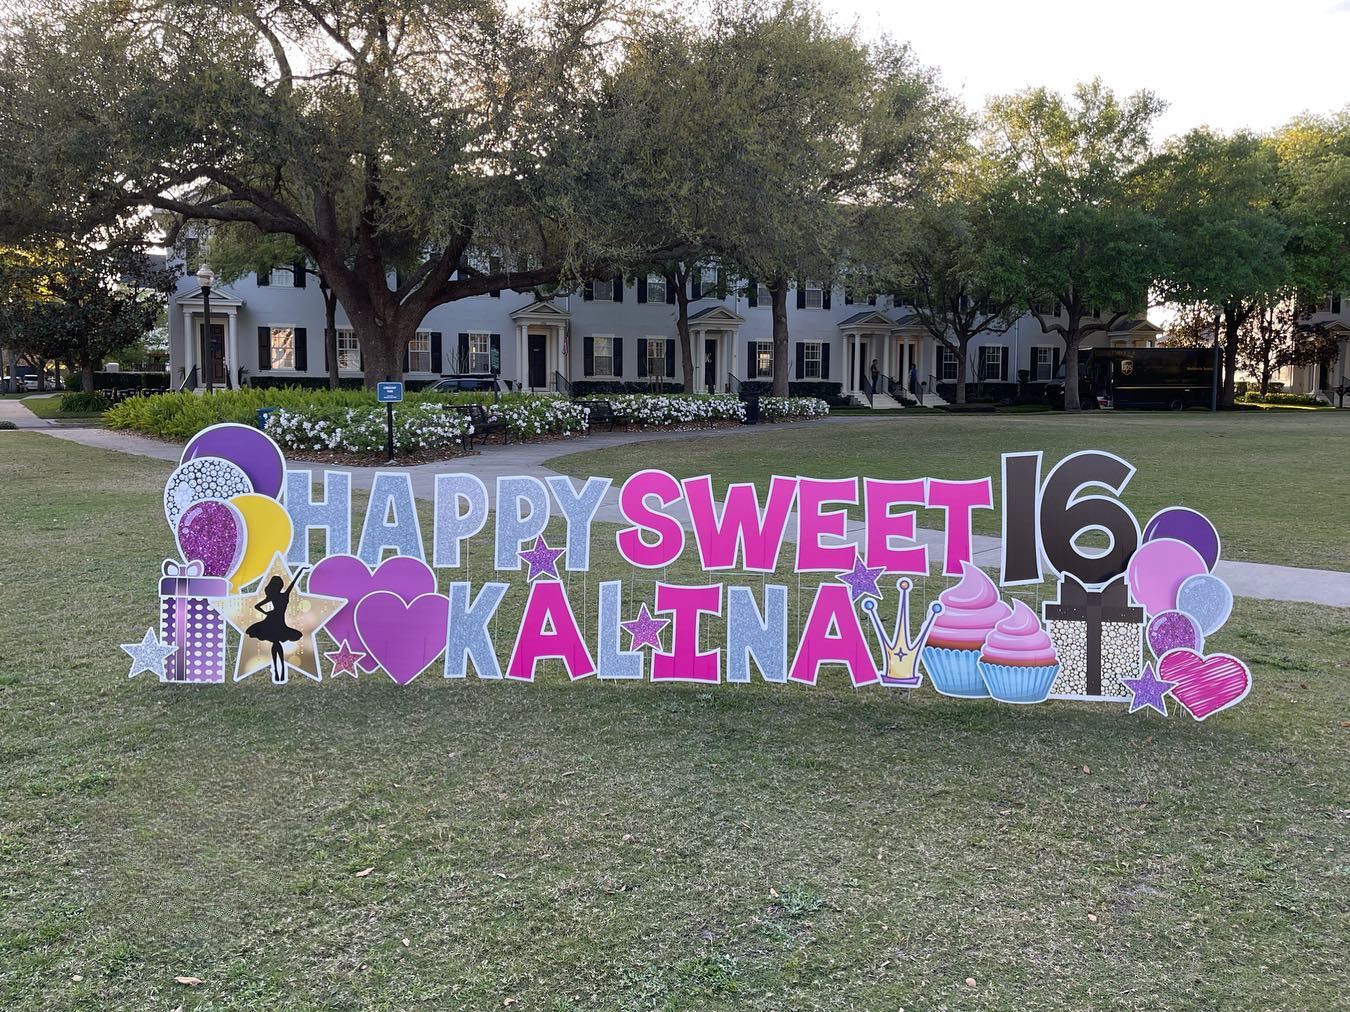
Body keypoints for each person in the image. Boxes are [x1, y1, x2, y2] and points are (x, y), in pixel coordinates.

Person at [245, 567, 308, 684]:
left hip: (275, 620)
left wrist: (301, 570)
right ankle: (280, 670)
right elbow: (257, 606)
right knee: (276, 642)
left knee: (276, 643)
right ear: (280, 585)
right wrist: (301, 570)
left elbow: (257, 606)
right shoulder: (284, 595)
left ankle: (280, 670)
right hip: (275, 620)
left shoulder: (276, 596)